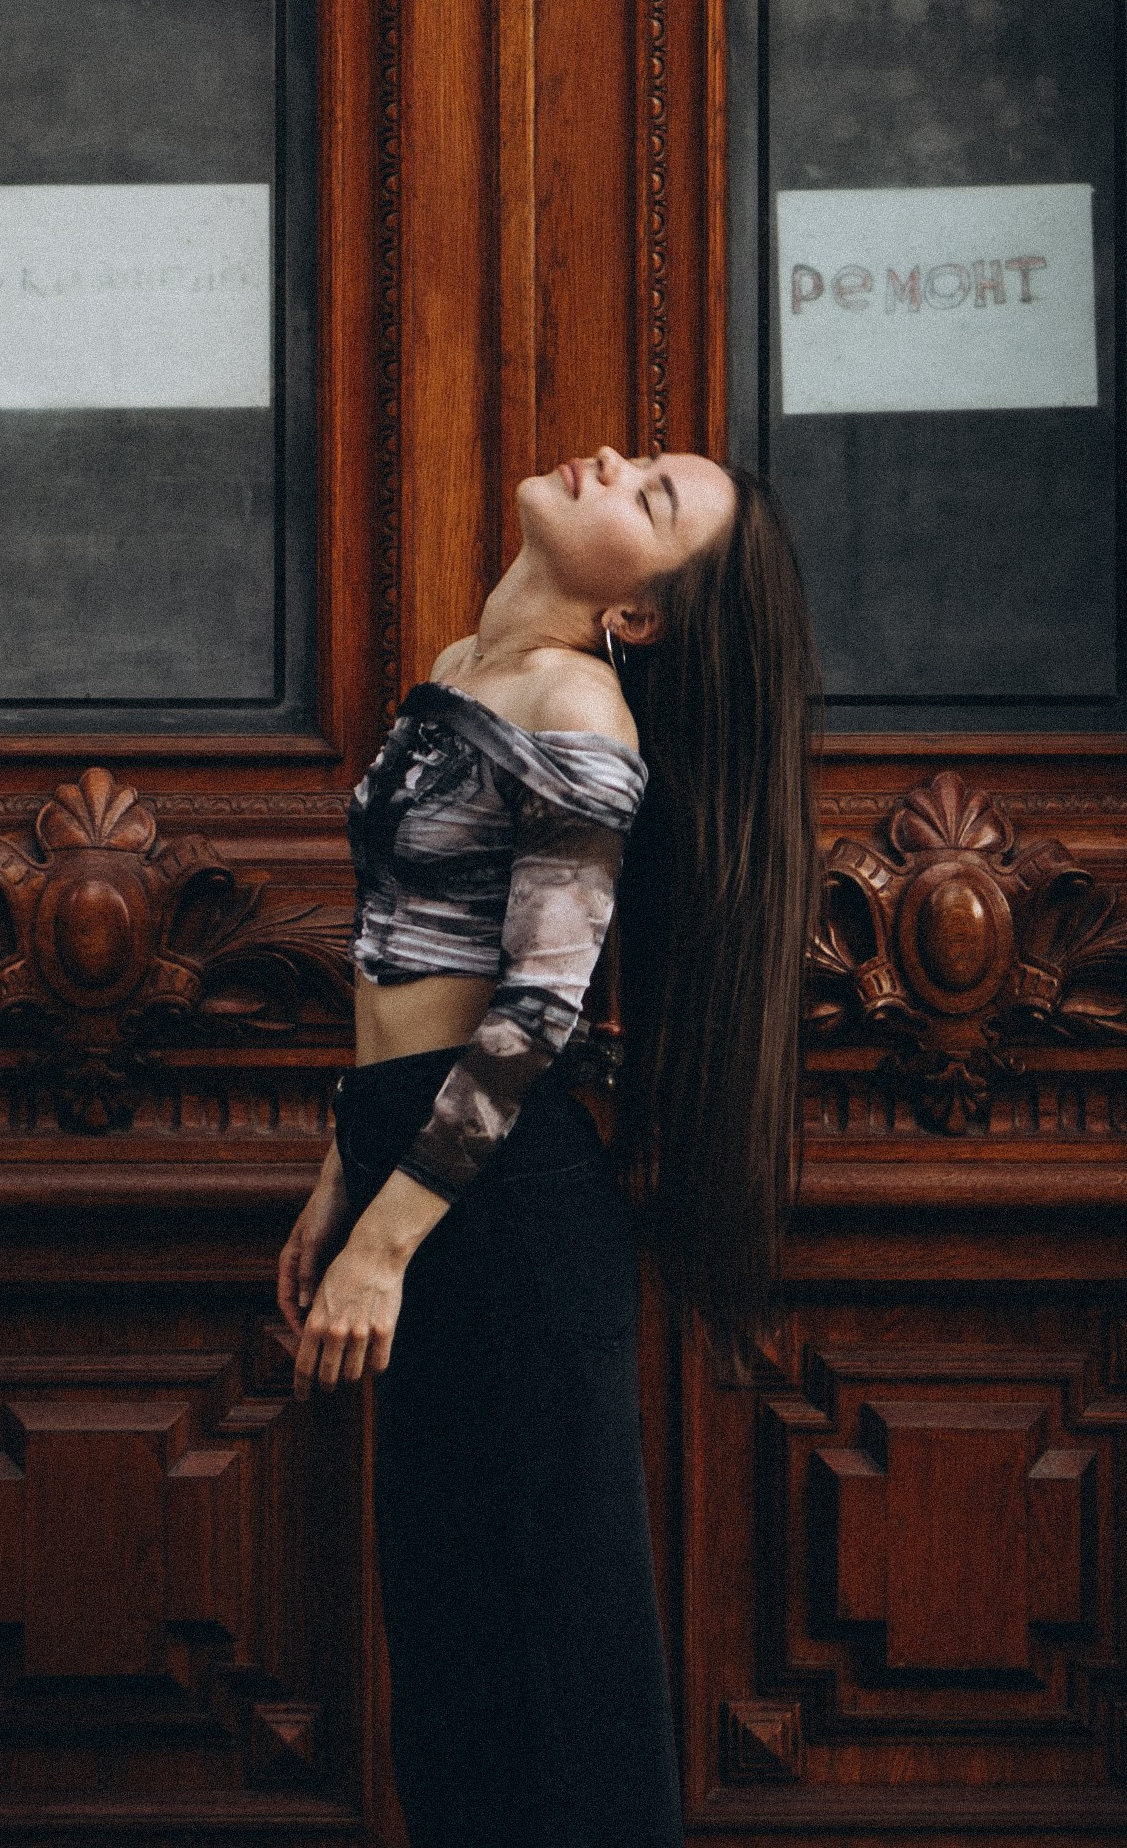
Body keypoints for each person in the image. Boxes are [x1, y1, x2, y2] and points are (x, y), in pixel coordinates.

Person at [277, 442, 820, 1848]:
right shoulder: (469, 658)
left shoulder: (582, 710)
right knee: (454, 1666)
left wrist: (383, 1248)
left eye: (653, 500)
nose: (615, 464)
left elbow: (531, 1014)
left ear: (636, 618)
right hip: (425, 1159)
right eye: (648, 461)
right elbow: (409, 956)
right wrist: (347, 1166)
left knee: (557, 1681)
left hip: (506, 1215)